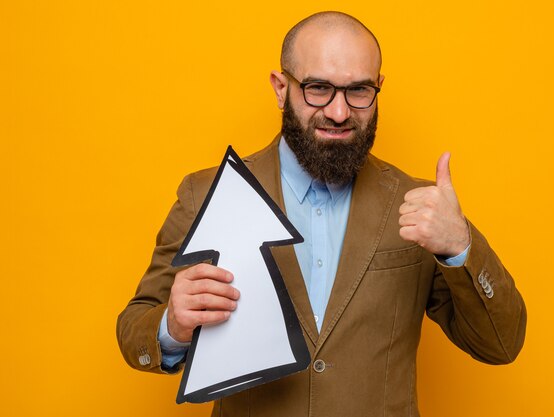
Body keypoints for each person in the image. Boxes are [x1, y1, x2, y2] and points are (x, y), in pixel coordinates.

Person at [117, 11, 526, 417]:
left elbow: (500, 344)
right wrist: (171, 327)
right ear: (281, 88)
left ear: (378, 87)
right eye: (318, 88)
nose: (339, 112)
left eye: (359, 91)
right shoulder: (206, 193)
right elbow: (135, 328)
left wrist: (461, 246)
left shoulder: (419, 204)